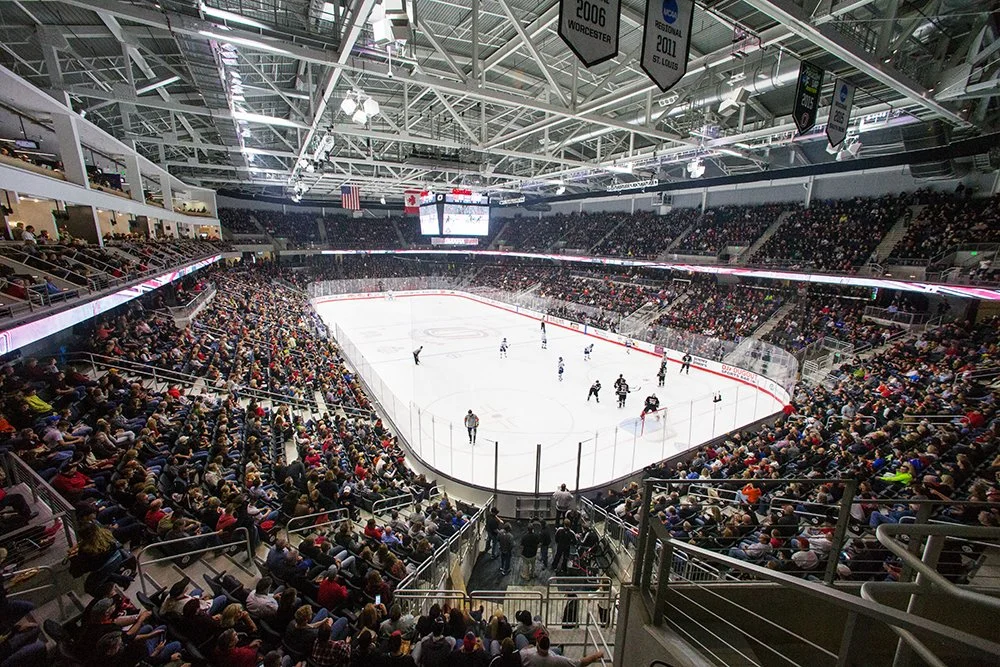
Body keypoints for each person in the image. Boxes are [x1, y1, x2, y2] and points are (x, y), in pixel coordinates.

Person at [520, 634, 603, 666]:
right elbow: (580, 663)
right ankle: (559, 649)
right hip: (551, 659)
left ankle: (559, 649)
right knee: (557, 650)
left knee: (520, 637)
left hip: (533, 658)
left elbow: (520, 653)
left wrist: (529, 647)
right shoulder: (557, 659)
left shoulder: (526, 654)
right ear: (548, 646)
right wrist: (595, 656)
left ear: (537, 646)